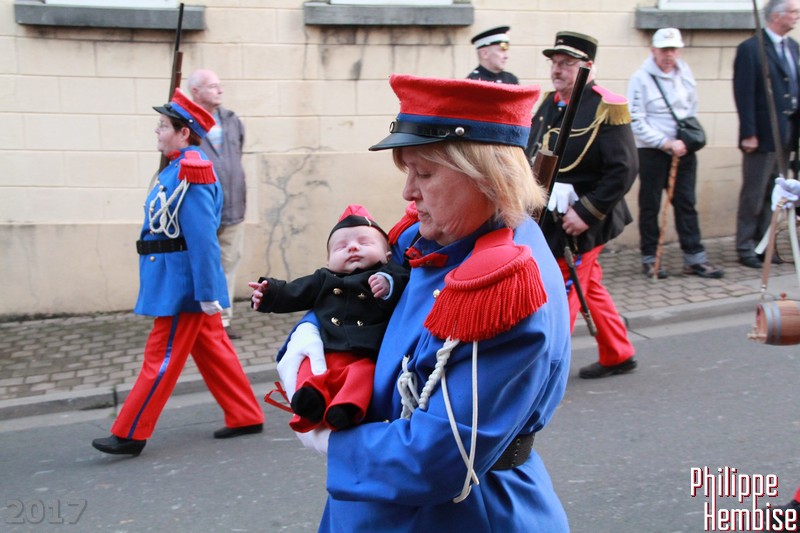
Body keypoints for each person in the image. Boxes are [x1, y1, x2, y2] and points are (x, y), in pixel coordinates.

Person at [260, 75, 572, 530]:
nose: (408, 192)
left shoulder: (500, 283)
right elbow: (354, 295)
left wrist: (335, 444)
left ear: (486, 177)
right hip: (381, 497)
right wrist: (311, 331)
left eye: (424, 173)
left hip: (456, 513)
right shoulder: (430, 235)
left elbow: (440, 456)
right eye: (408, 171)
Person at [91, 89, 264, 456]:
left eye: (163, 126)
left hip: (184, 286)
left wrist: (207, 293)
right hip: (177, 279)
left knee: (162, 356)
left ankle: (131, 432)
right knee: (214, 349)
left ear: (184, 132)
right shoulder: (175, 168)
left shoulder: (192, 171)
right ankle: (245, 414)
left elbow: (203, 239)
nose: (157, 131)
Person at [526, 31, 639, 379]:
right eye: (555, 62)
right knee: (588, 285)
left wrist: (586, 213)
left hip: (584, 220)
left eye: (567, 63)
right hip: (552, 217)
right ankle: (618, 352)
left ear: (588, 66)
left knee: (564, 290)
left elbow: (623, 169)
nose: (557, 69)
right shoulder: (550, 103)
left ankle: (548, 371)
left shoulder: (606, 106)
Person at [249, 204, 409, 432]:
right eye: (341, 247)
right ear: (328, 261)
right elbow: (295, 292)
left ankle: (346, 408)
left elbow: (405, 284)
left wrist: (388, 284)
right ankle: (311, 400)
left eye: (364, 243)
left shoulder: (386, 274)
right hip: (328, 347)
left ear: (387, 255)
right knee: (309, 366)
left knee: (363, 375)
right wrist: (268, 294)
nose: (353, 247)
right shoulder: (324, 279)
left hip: (366, 351)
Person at [627, 28, 724, 279]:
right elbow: (636, 120)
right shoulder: (640, 78)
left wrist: (684, 141)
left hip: (684, 151)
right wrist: (666, 143)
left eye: (672, 49)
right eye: (664, 50)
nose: (668, 55)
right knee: (650, 205)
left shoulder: (685, 72)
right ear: (653, 51)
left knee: (686, 203)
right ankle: (650, 258)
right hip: (653, 151)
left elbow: (690, 109)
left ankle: (695, 258)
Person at [733, 0, 800, 269]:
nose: (797, 17)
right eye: (793, 12)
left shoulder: (793, 47)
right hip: (762, 133)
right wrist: (749, 133)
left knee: (776, 191)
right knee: (755, 192)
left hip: (788, 132)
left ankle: (765, 244)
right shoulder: (752, 48)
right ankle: (745, 245)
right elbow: (744, 92)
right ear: (776, 16)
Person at [188, 69, 248, 339]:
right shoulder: (186, 123)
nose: (220, 90)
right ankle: (199, 320)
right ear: (196, 91)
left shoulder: (231, 120)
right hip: (202, 211)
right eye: (212, 86)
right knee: (202, 264)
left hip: (233, 208)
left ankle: (222, 320)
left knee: (228, 264)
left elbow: (236, 156)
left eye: (219, 85)